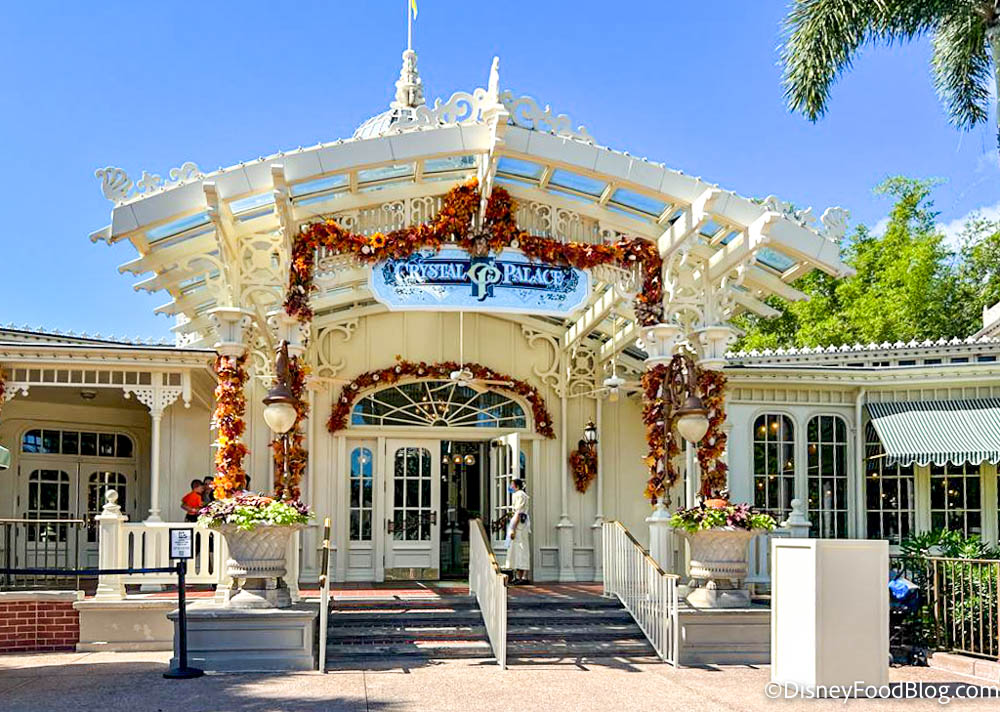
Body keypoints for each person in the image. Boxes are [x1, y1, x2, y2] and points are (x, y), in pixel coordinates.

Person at [504, 479, 531, 584]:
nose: (510, 487)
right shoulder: (519, 494)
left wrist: (513, 528)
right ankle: (519, 576)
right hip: (521, 525)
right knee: (517, 550)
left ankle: (523, 577)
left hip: (520, 526)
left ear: (517, 486)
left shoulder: (519, 495)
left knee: (521, 549)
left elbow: (518, 513)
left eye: (512, 485)